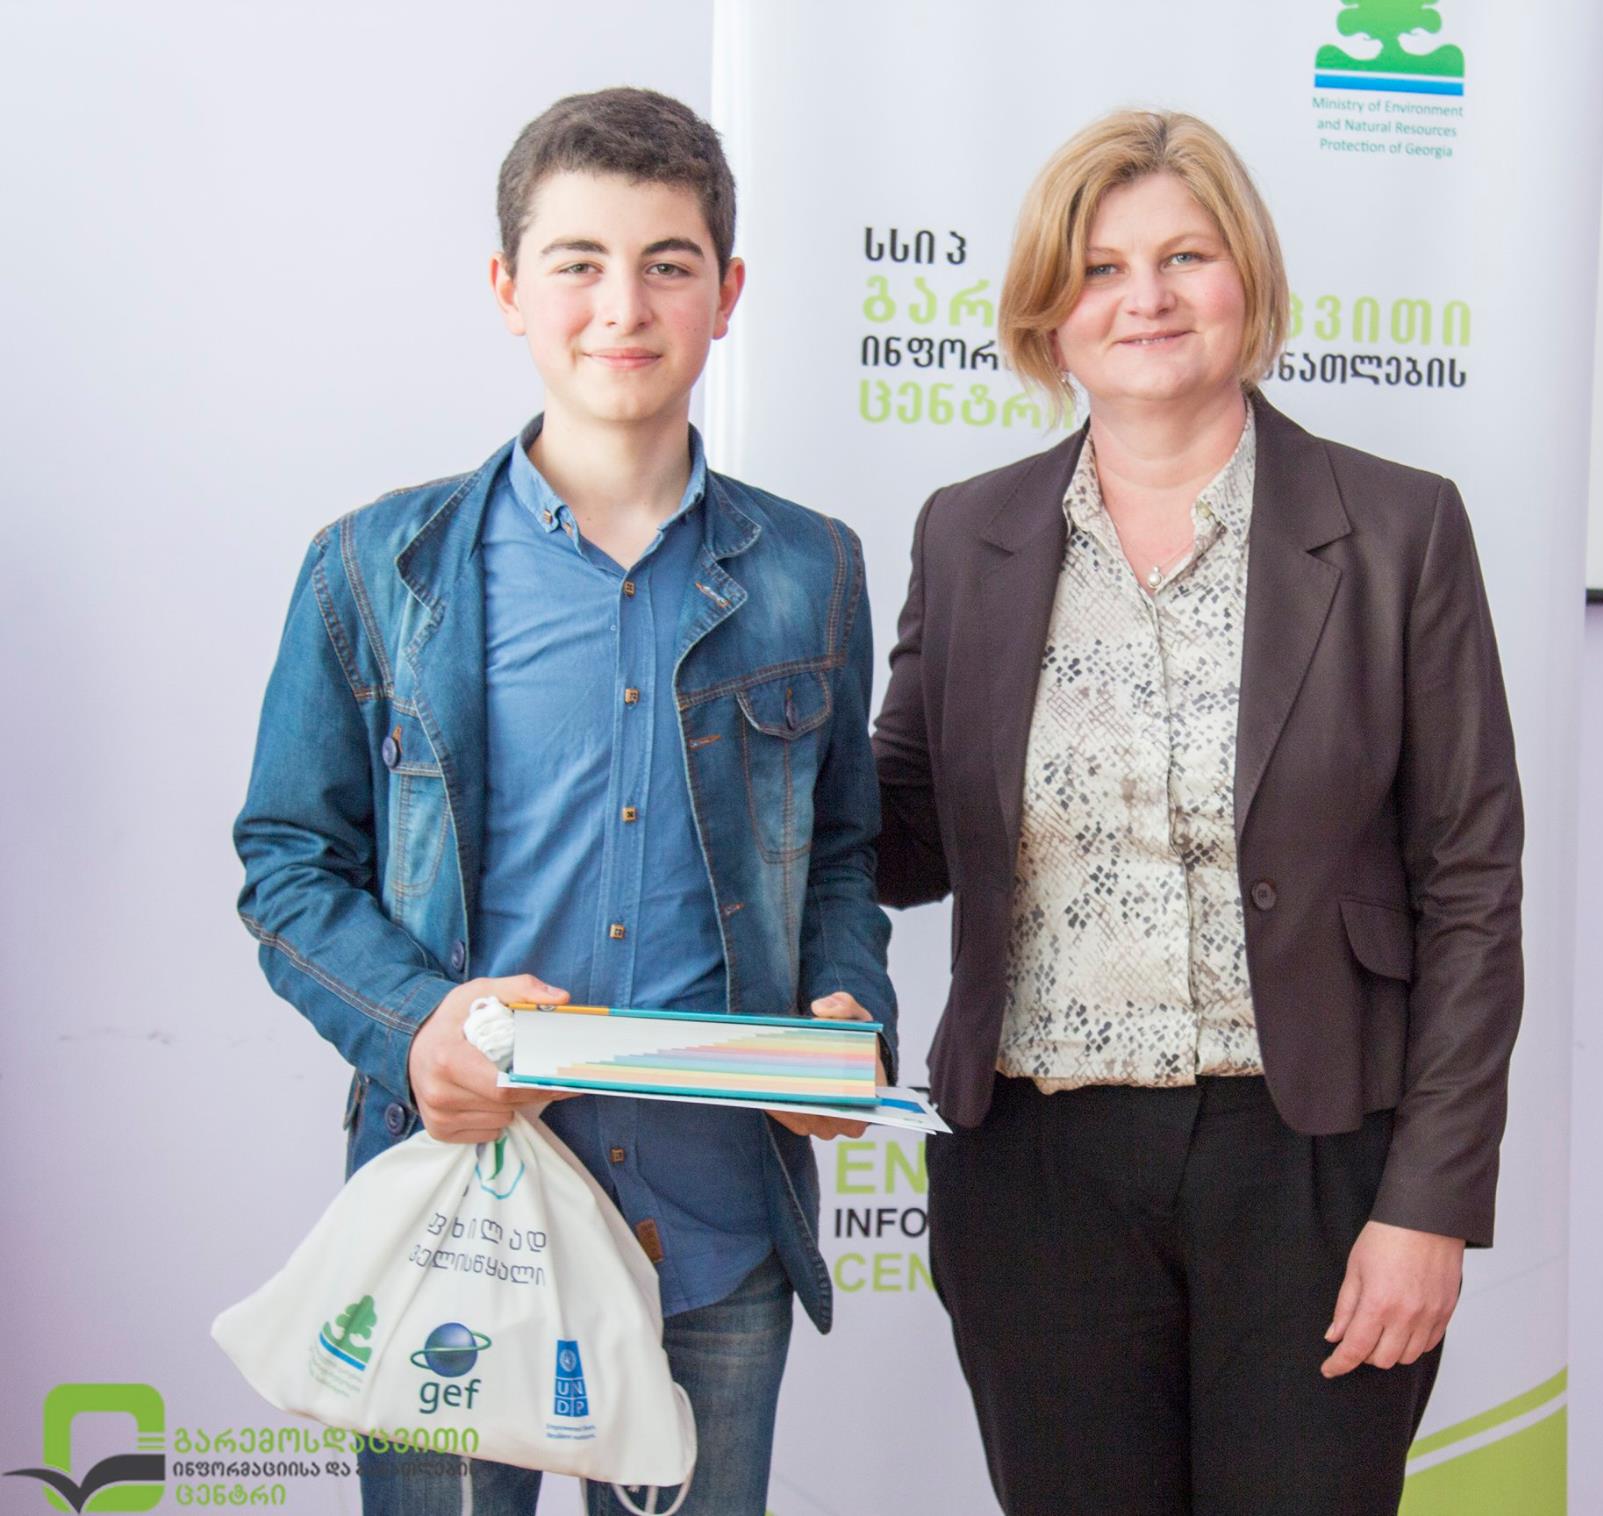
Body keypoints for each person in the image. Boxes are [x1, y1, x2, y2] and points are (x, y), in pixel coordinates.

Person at [233, 88, 895, 1516]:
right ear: (508, 289)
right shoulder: (375, 570)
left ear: (728, 294)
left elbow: (841, 854)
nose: (623, 306)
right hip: (455, 1217)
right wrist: (419, 1027)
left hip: (714, 1233)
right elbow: (288, 866)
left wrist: (847, 1007)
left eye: (668, 264)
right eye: (578, 262)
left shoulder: (813, 570)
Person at [871, 109, 1523, 1516]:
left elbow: (1472, 886)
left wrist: (1429, 1203)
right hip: (1035, 1169)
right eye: (1099, 268)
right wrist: (741, 721)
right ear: (1048, 312)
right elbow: (902, 832)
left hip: (1313, 1162)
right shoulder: (966, 535)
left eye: (1184, 256)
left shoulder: (1398, 529)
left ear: (1249, 279)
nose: (1146, 298)